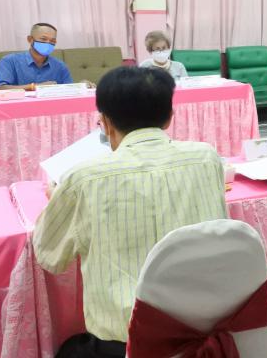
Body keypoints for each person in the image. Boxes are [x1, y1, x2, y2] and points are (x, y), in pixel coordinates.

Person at [33, 67, 227, 357]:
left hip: (124, 343)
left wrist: (56, 200)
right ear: (170, 117)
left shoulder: (83, 177)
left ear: (106, 123)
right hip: (202, 328)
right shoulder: (207, 158)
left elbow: (49, 255)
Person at [0, 23, 73, 90]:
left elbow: (70, 90)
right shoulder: (10, 61)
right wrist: (34, 87)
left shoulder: (60, 66)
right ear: (30, 39)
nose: (48, 43)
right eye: (43, 39)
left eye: (52, 41)